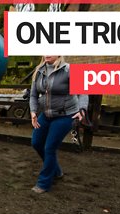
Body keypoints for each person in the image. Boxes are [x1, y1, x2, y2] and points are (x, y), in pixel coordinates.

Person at [29, 56, 88, 194]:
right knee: (36, 143)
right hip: (46, 115)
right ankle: (56, 170)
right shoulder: (39, 71)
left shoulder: (69, 70)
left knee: (49, 147)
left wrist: (82, 109)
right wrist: (33, 112)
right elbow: (33, 95)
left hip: (65, 115)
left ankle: (43, 183)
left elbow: (83, 91)